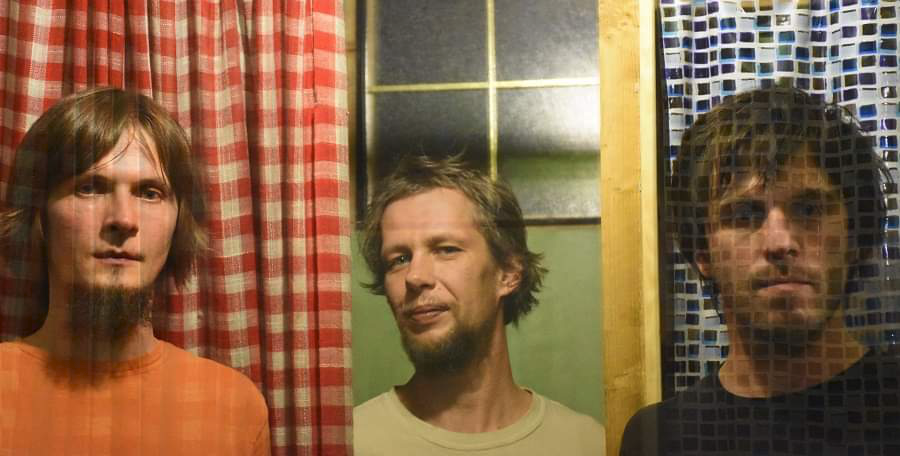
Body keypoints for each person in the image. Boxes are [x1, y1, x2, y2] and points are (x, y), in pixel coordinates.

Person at [621, 86, 899, 455]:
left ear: (854, 238)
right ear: (703, 252)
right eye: (744, 214)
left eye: (810, 210)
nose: (780, 242)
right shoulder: (658, 437)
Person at [0, 87, 270, 455]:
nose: (124, 219)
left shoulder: (235, 406)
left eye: (149, 193)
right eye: (90, 188)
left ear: (178, 224)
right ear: (38, 215)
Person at [354, 155, 606, 455]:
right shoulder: (346, 443)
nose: (415, 276)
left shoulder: (586, 443)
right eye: (399, 259)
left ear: (508, 274)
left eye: (446, 249)